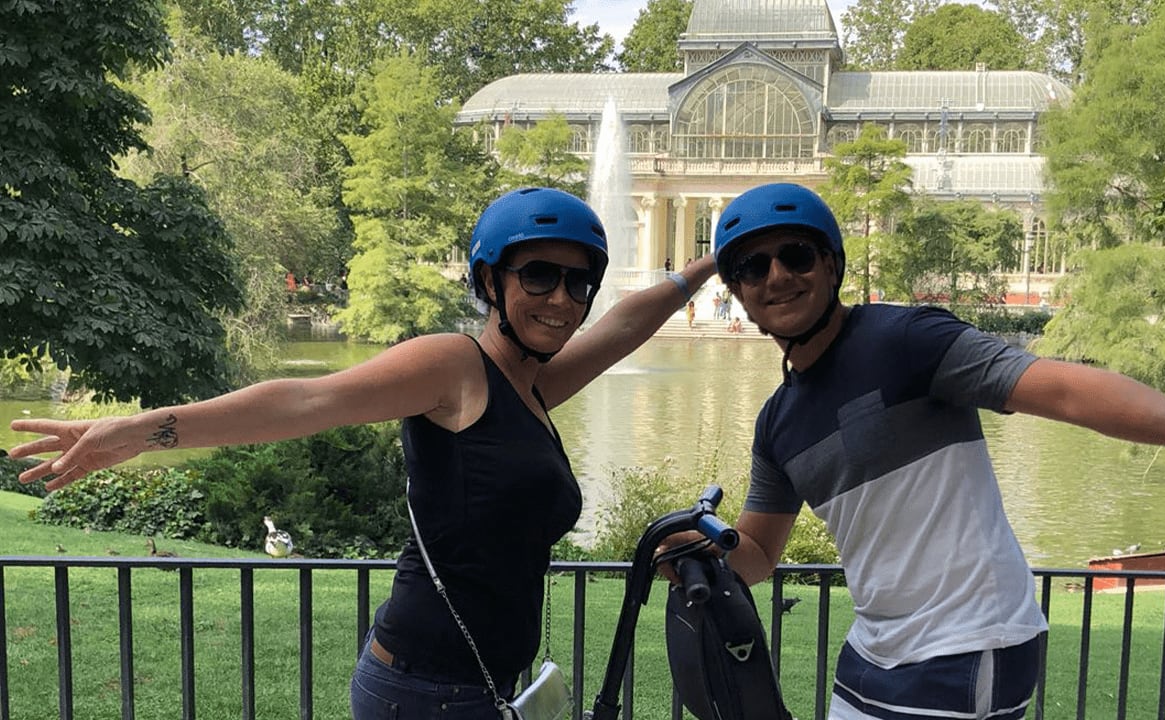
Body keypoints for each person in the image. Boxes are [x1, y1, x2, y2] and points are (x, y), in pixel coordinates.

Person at [8, 187, 716, 720]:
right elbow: (304, 401)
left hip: (483, 685)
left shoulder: (531, 387)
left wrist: (719, 259)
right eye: (538, 275)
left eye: (577, 281)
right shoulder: (454, 367)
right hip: (424, 689)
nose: (561, 298)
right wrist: (138, 431)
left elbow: (623, 328)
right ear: (489, 280)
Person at [692, 183, 1165, 720]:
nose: (776, 277)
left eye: (794, 255)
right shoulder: (778, 421)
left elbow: (1064, 389)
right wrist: (699, 550)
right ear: (738, 291)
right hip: (874, 649)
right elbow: (759, 556)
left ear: (829, 263)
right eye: (752, 266)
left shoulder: (906, 341)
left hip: (968, 643)